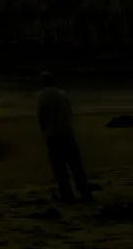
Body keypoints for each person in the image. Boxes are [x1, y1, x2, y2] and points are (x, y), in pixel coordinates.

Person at [33, 73, 92, 201]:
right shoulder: (62, 94)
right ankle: (85, 191)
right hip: (66, 132)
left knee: (59, 168)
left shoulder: (42, 96)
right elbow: (69, 112)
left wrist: (44, 132)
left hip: (53, 134)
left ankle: (67, 193)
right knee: (76, 165)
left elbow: (41, 116)